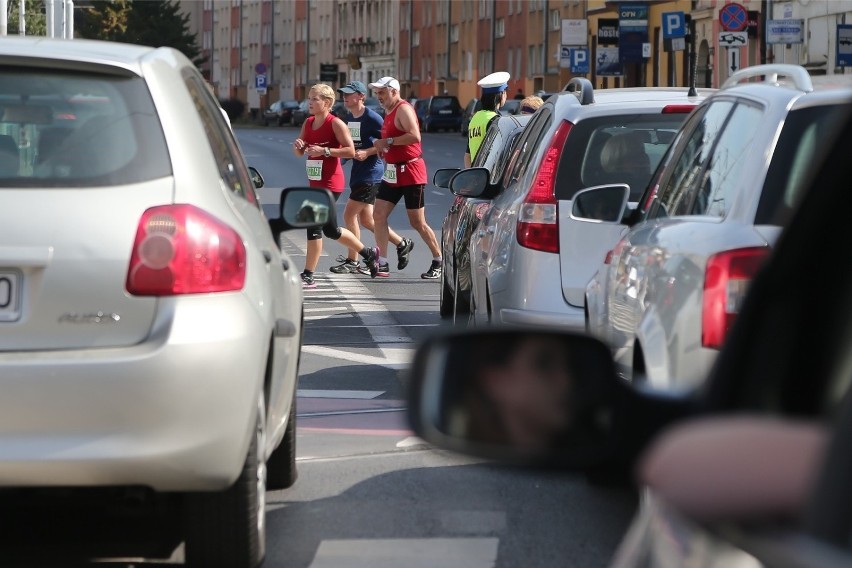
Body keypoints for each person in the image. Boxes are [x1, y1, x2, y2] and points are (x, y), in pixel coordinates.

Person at [292, 83, 380, 288]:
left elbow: (350, 151)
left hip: (331, 182)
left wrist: (326, 151)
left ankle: (308, 275)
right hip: (315, 182)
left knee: (313, 225)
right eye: (309, 98)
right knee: (331, 230)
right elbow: (300, 151)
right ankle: (367, 254)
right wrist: (298, 146)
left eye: (315, 99)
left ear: (327, 102)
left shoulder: (336, 123)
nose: (310, 102)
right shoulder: (308, 122)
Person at [332, 80, 414, 277]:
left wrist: (368, 152)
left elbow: (386, 143)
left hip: (371, 174)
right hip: (358, 173)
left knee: (348, 215)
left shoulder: (373, 118)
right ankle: (402, 243)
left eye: (349, 94)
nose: (345, 97)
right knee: (368, 220)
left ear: (361, 96)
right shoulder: (350, 117)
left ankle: (354, 259)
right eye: (343, 94)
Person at [369, 76, 443, 280]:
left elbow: (414, 136)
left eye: (382, 92)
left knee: (417, 222)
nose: (379, 97)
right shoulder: (388, 111)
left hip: (411, 171)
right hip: (392, 171)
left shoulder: (403, 109)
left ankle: (438, 259)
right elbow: (390, 141)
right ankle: (382, 262)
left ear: (394, 91)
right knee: (378, 215)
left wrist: (389, 141)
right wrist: (383, 148)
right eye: (377, 93)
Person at [464, 71, 510, 168]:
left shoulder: (475, 118)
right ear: (501, 95)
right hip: (489, 176)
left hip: (476, 175)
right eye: (505, 92)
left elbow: (467, 155)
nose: (506, 96)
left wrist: (471, 176)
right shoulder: (496, 120)